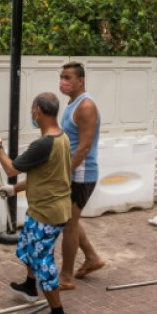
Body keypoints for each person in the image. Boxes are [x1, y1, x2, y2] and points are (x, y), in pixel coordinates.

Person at [0, 93, 71, 314]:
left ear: (39, 112)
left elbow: (11, 169)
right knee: (26, 247)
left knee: (43, 262)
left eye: (33, 110)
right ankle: (29, 286)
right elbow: (45, 177)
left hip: (48, 213)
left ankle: (57, 312)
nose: (32, 114)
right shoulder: (62, 137)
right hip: (45, 209)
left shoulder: (44, 144)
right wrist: (13, 189)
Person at [58, 61, 105, 289]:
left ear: (80, 80)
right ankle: (92, 257)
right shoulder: (71, 104)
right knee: (70, 220)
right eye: (61, 77)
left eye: (68, 78)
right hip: (74, 171)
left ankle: (66, 277)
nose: (63, 82)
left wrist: (65, 172)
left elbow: (84, 147)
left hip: (82, 173)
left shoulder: (86, 106)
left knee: (68, 224)